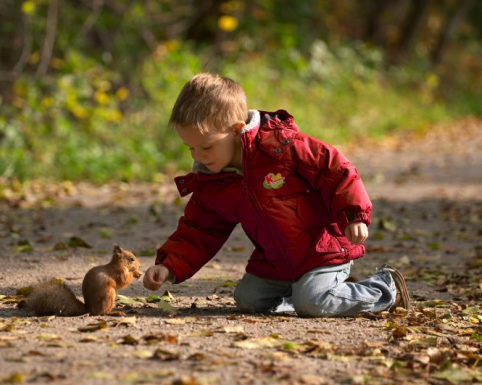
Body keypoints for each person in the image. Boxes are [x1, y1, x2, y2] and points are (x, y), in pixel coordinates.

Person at [143, 73, 410, 317]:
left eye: (206, 146)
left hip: (323, 252)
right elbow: (198, 229)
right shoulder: (212, 182)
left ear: (236, 130)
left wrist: (354, 214)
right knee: (248, 300)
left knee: (313, 302)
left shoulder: (281, 147)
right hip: (276, 264)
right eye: (190, 148)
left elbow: (336, 170)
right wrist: (169, 266)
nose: (198, 156)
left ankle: (385, 287)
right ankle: (304, 295)